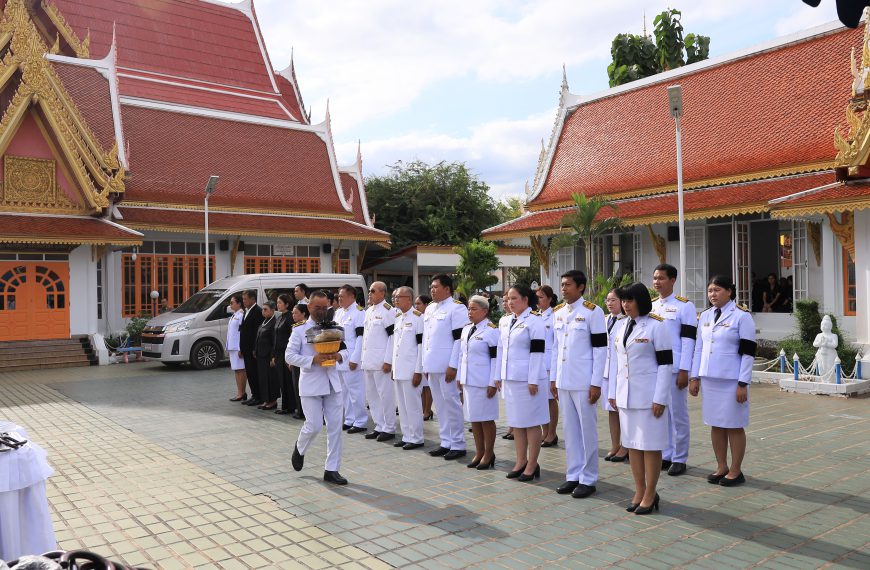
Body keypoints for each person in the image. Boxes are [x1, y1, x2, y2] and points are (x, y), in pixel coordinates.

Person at [608, 283, 673, 515]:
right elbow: (617, 362)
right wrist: (613, 393)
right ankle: (639, 489)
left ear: (641, 301)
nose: (625, 305)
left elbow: (666, 365)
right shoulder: (621, 325)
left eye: (630, 300)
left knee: (650, 447)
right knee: (633, 446)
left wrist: (660, 398)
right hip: (626, 396)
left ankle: (651, 492)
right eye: (623, 300)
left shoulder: (657, 326)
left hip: (649, 397)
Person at [690, 275, 756, 488]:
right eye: (710, 291)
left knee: (734, 425)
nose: (713, 294)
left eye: (717, 290)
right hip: (710, 379)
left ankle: (736, 470)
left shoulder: (741, 316)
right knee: (715, 424)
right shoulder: (706, 316)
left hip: (731, 381)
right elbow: (698, 348)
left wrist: (743, 383)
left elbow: (748, 352)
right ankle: (721, 466)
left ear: (729, 291)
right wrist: (695, 376)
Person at [551, 270, 607, 498]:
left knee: (587, 431)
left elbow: (600, 349)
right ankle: (573, 475)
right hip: (564, 380)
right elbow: (555, 349)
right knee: (570, 431)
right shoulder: (558, 313)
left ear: (581, 287)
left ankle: (589, 477)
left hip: (584, 381)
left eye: (568, 285)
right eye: (562, 285)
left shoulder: (593, 312)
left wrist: (596, 383)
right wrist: (554, 378)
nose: (563, 289)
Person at [287, 291, 349, 485]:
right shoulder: (299, 330)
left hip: (332, 383)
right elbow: (289, 356)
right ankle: (300, 448)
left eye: (324, 308)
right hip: (311, 384)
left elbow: (346, 350)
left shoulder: (335, 328)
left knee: (335, 428)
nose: (322, 311)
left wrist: (339, 357)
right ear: (309, 308)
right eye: (317, 308)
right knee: (313, 426)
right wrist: (312, 359)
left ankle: (332, 470)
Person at [496, 284, 549, 482]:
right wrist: (497, 375)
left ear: (526, 300)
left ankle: (532, 463)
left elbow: (537, 352)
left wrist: (533, 379)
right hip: (510, 378)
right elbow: (500, 351)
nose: (510, 302)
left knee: (531, 423)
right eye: (508, 299)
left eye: (514, 298)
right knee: (517, 422)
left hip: (528, 380)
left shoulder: (535, 321)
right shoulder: (505, 321)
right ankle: (520, 461)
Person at [650, 264, 697, 476]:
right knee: (661, 413)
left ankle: (680, 457)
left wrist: (685, 369)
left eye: (661, 278)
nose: (657, 282)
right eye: (655, 278)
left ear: (673, 280)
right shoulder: (651, 307)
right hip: (656, 368)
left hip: (676, 368)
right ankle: (666, 454)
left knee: (678, 415)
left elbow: (688, 341)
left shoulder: (684, 306)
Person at [423, 274, 469, 460]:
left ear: (447, 289)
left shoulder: (457, 308)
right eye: (431, 287)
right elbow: (427, 339)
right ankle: (446, 441)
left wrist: (453, 365)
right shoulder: (430, 309)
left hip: (447, 366)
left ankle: (458, 444)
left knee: (452, 404)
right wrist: (424, 364)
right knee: (440, 405)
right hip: (432, 364)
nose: (432, 290)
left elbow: (459, 339)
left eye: (436, 287)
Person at [452, 295, 499, 469]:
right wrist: (459, 378)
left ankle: (489, 453)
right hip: (468, 380)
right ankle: (479, 452)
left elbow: (495, 359)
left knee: (486, 419)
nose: (469, 313)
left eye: (473, 309)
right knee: (474, 419)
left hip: (483, 382)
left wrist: (493, 382)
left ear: (484, 311)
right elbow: (461, 355)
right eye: (468, 309)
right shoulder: (466, 329)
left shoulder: (491, 330)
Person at [388, 286, 425, 449]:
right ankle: (407, 435)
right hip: (399, 369)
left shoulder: (418, 318)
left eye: (399, 297)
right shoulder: (398, 317)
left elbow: (420, 346)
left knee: (413, 405)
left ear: (409, 299)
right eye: (394, 297)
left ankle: (416, 437)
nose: (395, 299)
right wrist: (393, 368)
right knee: (402, 405)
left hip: (411, 370)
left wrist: (418, 371)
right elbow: (395, 345)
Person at [361, 281, 397, 441]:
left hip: (381, 362)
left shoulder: (388, 311)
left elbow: (392, 336)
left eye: (372, 291)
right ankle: (379, 425)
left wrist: (388, 360)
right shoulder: (369, 311)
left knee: (385, 395)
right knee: (372, 396)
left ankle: (389, 428)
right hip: (368, 360)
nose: (369, 293)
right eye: (369, 291)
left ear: (382, 293)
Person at [335, 285, 367, 432]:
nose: (339, 299)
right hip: (340, 357)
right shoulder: (338, 313)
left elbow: (361, 337)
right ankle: (349, 419)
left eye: (342, 296)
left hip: (352, 357)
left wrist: (356, 358)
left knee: (356, 391)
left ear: (352, 296)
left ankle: (360, 421)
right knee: (343, 391)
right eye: (339, 296)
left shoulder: (359, 313)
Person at [602, 288, 627, 462]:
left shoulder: (627, 321)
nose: (610, 303)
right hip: (606, 371)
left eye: (614, 300)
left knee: (622, 410)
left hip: (620, 372)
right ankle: (615, 445)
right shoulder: (604, 320)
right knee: (611, 410)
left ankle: (626, 446)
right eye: (608, 300)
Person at [536, 286, 559, 448]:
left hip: (550, 363)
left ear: (550, 298)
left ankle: (552, 433)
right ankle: (545, 431)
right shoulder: (536, 316)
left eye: (541, 297)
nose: (538, 300)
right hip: (538, 363)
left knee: (550, 400)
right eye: (536, 297)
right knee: (541, 400)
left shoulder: (556, 315)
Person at [239, 290, 264, 407]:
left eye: (245, 299)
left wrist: (254, 349)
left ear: (253, 299)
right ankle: (254, 394)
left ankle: (258, 396)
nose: (243, 301)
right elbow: (243, 331)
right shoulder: (247, 311)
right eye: (243, 299)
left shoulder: (257, 311)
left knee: (254, 373)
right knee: (250, 373)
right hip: (246, 349)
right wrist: (241, 348)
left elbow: (256, 333)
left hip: (252, 350)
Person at [273, 294, 296, 415]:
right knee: (281, 380)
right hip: (278, 353)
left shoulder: (289, 318)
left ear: (287, 304)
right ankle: (285, 405)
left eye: (280, 302)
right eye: (277, 302)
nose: (278, 305)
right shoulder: (280, 317)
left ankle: (290, 406)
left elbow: (291, 337)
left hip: (285, 353)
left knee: (287, 380)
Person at [254, 300, 279, 410]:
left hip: (268, 355)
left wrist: (273, 356)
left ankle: (272, 401)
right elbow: (258, 336)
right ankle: (266, 400)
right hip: (260, 355)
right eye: (263, 309)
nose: (263, 312)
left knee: (270, 379)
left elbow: (274, 342)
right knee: (263, 378)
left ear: (273, 310)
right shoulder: (264, 321)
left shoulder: (274, 323)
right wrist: (255, 349)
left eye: (266, 309)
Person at [415, 294, 435, 421]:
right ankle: (424, 409)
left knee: (428, 387)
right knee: (422, 387)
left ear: (426, 305)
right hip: (420, 356)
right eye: (415, 304)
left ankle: (427, 410)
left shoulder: (426, 318)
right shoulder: (418, 318)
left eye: (419, 304)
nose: (416, 306)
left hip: (427, 355)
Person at [288, 303, 308, 419]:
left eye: (296, 313)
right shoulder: (296, 326)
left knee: (302, 387)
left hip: (303, 360)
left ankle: (304, 411)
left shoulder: (305, 326)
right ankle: (300, 410)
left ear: (304, 313)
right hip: (296, 359)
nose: (293, 315)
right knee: (296, 386)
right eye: (293, 313)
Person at [226, 293, 248, 402]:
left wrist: (241, 348)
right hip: (232, 347)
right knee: (236, 370)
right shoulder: (234, 315)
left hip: (237, 347)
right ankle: (239, 392)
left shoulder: (241, 315)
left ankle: (242, 393)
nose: (230, 305)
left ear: (239, 304)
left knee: (241, 370)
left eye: (232, 303)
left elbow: (241, 333)